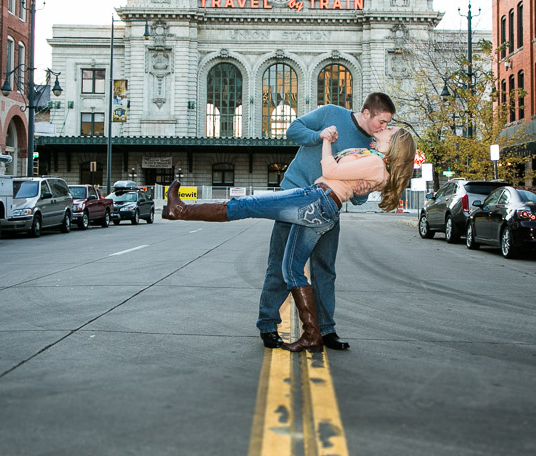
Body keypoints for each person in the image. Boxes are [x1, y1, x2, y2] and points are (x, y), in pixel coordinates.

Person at [164, 126, 416, 352]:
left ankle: (181, 210)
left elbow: (329, 169)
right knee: (292, 270)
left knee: (247, 205)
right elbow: (351, 176)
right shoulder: (373, 160)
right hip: (324, 209)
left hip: (316, 199)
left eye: (390, 130)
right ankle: (312, 335)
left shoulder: (376, 164)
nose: (385, 128)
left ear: (395, 144)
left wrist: (326, 140)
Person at [260, 93, 396, 351]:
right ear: (367, 113)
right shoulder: (331, 113)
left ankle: (326, 330)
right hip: (294, 197)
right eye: (382, 121)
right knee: (279, 264)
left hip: (327, 208)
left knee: (325, 269)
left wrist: (362, 191)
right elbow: (293, 129)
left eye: (387, 124)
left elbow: (358, 197)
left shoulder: (371, 145)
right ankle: (267, 325)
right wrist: (319, 136)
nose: (383, 128)